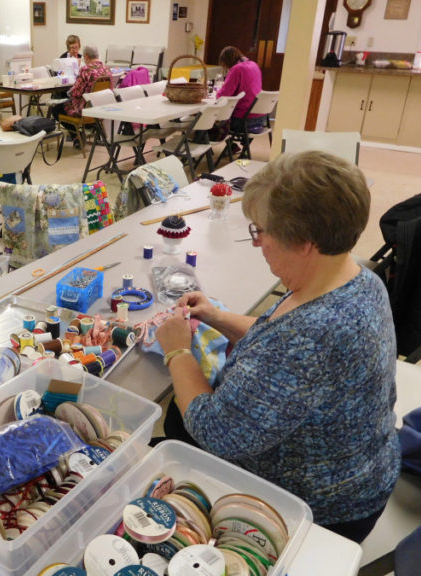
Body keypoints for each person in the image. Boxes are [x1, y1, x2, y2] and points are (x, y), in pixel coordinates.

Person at [154, 151, 401, 543]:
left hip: (321, 511)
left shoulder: (311, 336)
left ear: (304, 242)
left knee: (172, 425)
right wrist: (218, 317)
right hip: (361, 472)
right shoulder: (358, 279)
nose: (259, 244)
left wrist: (177, 350)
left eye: (261, 231)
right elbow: (280, 334)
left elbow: (216, 431)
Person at [200, 45, 263, 147]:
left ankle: (202, 142)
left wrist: (217, 91)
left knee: (210, 117)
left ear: (227, 62)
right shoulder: (254, 65)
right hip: (261, 118)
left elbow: (222, 95)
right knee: (226, 112)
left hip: (243, 121)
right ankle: (232, 147)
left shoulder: (237, 69)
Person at [51, 44, 110, 149]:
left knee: (55, 108)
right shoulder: (106, 69)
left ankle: (76, 135)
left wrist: (68, 93)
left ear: (86, 56)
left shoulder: (86, 70)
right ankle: (89, 129)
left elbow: (76, 93)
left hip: (84, 111)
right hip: (100, 109)